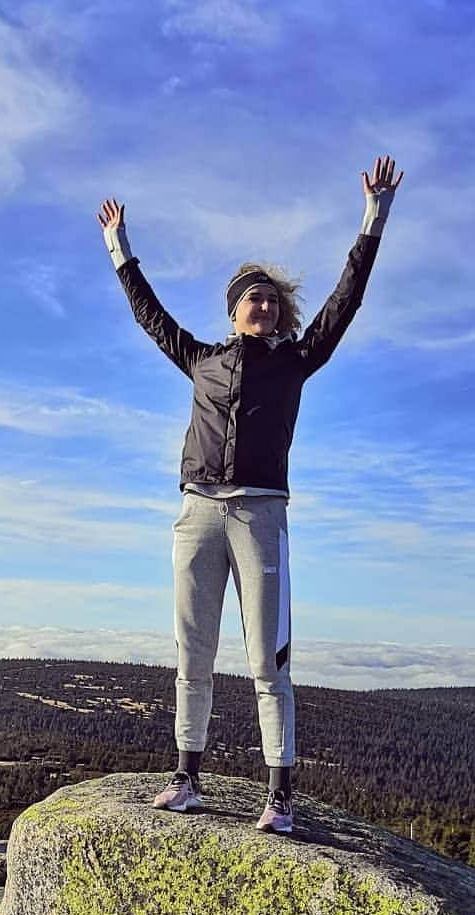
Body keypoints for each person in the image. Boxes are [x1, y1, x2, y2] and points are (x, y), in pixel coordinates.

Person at [97, 156, 402, 834]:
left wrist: (373, 219)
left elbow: (345, 300)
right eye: (252, 298)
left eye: (271, 300)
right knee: (193, 651)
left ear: (280, 313)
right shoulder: (200, 358)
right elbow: (150, 315)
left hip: (261, 514)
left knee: (268, 661)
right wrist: (120, 249)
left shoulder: (297, 361)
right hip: (199, 511)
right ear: (234, 311)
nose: (263, 306)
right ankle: (186, 779)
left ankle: (281, 797)